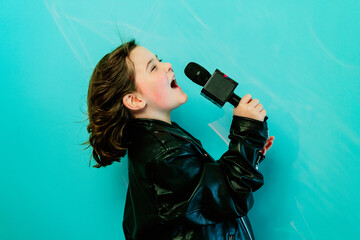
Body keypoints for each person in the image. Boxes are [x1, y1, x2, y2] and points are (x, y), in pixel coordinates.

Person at [86, 39, 275, 240]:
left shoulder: (161, 142)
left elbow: (209, 189)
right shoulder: (166, 154)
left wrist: (250, 151)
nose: (167, 65)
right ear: (134, 100)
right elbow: (228, 197)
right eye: (153, 67)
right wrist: (247, 134)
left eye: (160, 60)